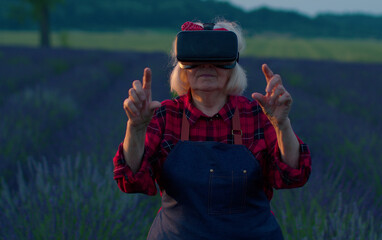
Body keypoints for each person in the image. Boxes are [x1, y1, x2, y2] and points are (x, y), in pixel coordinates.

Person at [113, 20, 311, 240]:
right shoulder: (164, 115)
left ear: (233, 66)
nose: (206, 65)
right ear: (182, 68)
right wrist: (136, 128)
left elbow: (293, 176)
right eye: (196, 60)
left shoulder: (257, 115)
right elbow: (131, 181)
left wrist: (282, 125)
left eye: (217, 59)